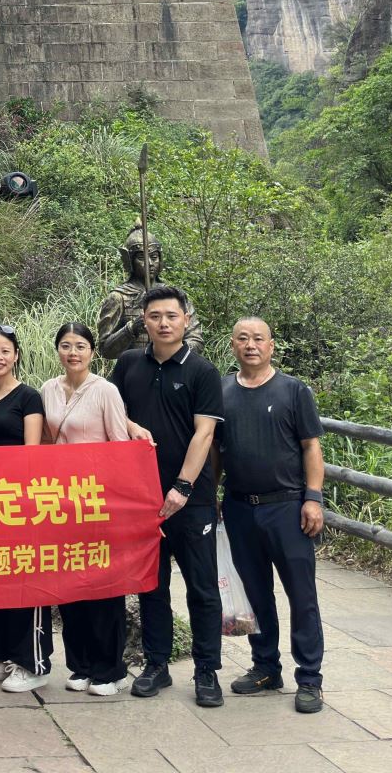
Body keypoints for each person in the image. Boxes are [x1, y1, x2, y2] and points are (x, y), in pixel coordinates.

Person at [111, 288, 224, 707]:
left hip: (191, 500)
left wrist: (182, 486)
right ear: (144, 319)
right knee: (151, 586)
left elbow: (204, 434)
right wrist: (129, 425)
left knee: (202, 587)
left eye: (171, 316)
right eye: (155, 315)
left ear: (186, 320)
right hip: (140, 497)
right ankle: (156, 664)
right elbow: (110, 410)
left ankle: (206, 670)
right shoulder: (128, 364)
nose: (163, 323)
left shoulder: (202, 371)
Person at [221, 318, 326, 714]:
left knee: (302, 595)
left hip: (287, 507)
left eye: (258, 339)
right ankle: (265, 667)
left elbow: (310, 447)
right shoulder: (222, 391)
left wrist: (313, 498)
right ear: (233, 345)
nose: (251, 345)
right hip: (239, 507)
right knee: (254, 594)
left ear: (271, 346)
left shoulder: (293, 390)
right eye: (243, 339)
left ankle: (310, 678)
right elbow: (214, 450)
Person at [42, 322, 133, 698]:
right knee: (69, 585)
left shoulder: (105, 390)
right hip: (61, 503)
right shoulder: (48, 389)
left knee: (104, 586)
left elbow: (120, 445)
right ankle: (80, 664)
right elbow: (44, 442)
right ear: (58, 351)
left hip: (98, 502)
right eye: (66, 346)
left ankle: (110, 669)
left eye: (80, 346)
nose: (73, 353)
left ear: (92, 351)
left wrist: (121, 502)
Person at [0, 325, 50, 693]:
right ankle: (1, 654)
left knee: (25, 581)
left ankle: (33, 662)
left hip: (21, 502)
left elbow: (32, 455)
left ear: (15, 355)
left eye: (5, 351)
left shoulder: (28, 397)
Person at [97, 227, 203, 360]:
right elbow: (106, 350)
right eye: (141, 258)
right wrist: (130, 329)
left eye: (154, 257)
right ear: (130, 261)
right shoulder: (118, 297)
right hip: (134, 368)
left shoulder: (175, 296)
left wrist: (174, 354)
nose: (149, 263)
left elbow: (195, 338)